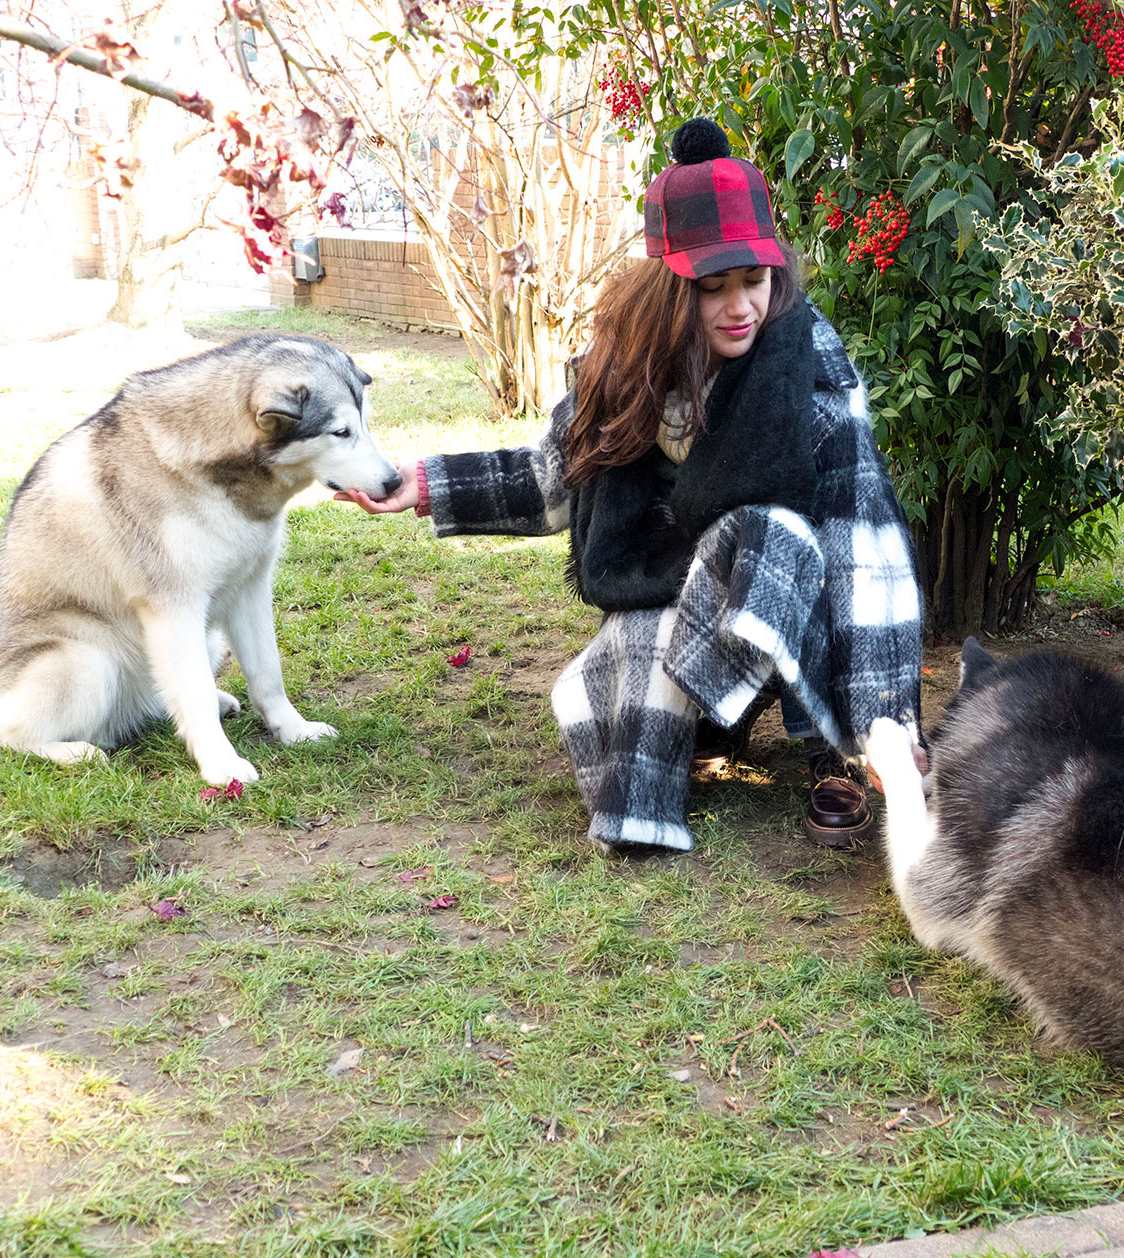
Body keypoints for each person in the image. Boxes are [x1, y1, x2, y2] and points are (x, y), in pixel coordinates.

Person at [340, 118, 923, 855]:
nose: (742, 305)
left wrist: (885, 723)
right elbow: (551, 476)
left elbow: (865, 551)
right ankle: (709, 731)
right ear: (672, 285)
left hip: (798, 600)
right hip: (688, 595)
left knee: (778, 536)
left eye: (756, 278)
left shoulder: (808, 367)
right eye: (715, 287)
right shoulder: (623, 365)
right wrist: (425, 485)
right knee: (645, 651)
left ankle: (827, 749)